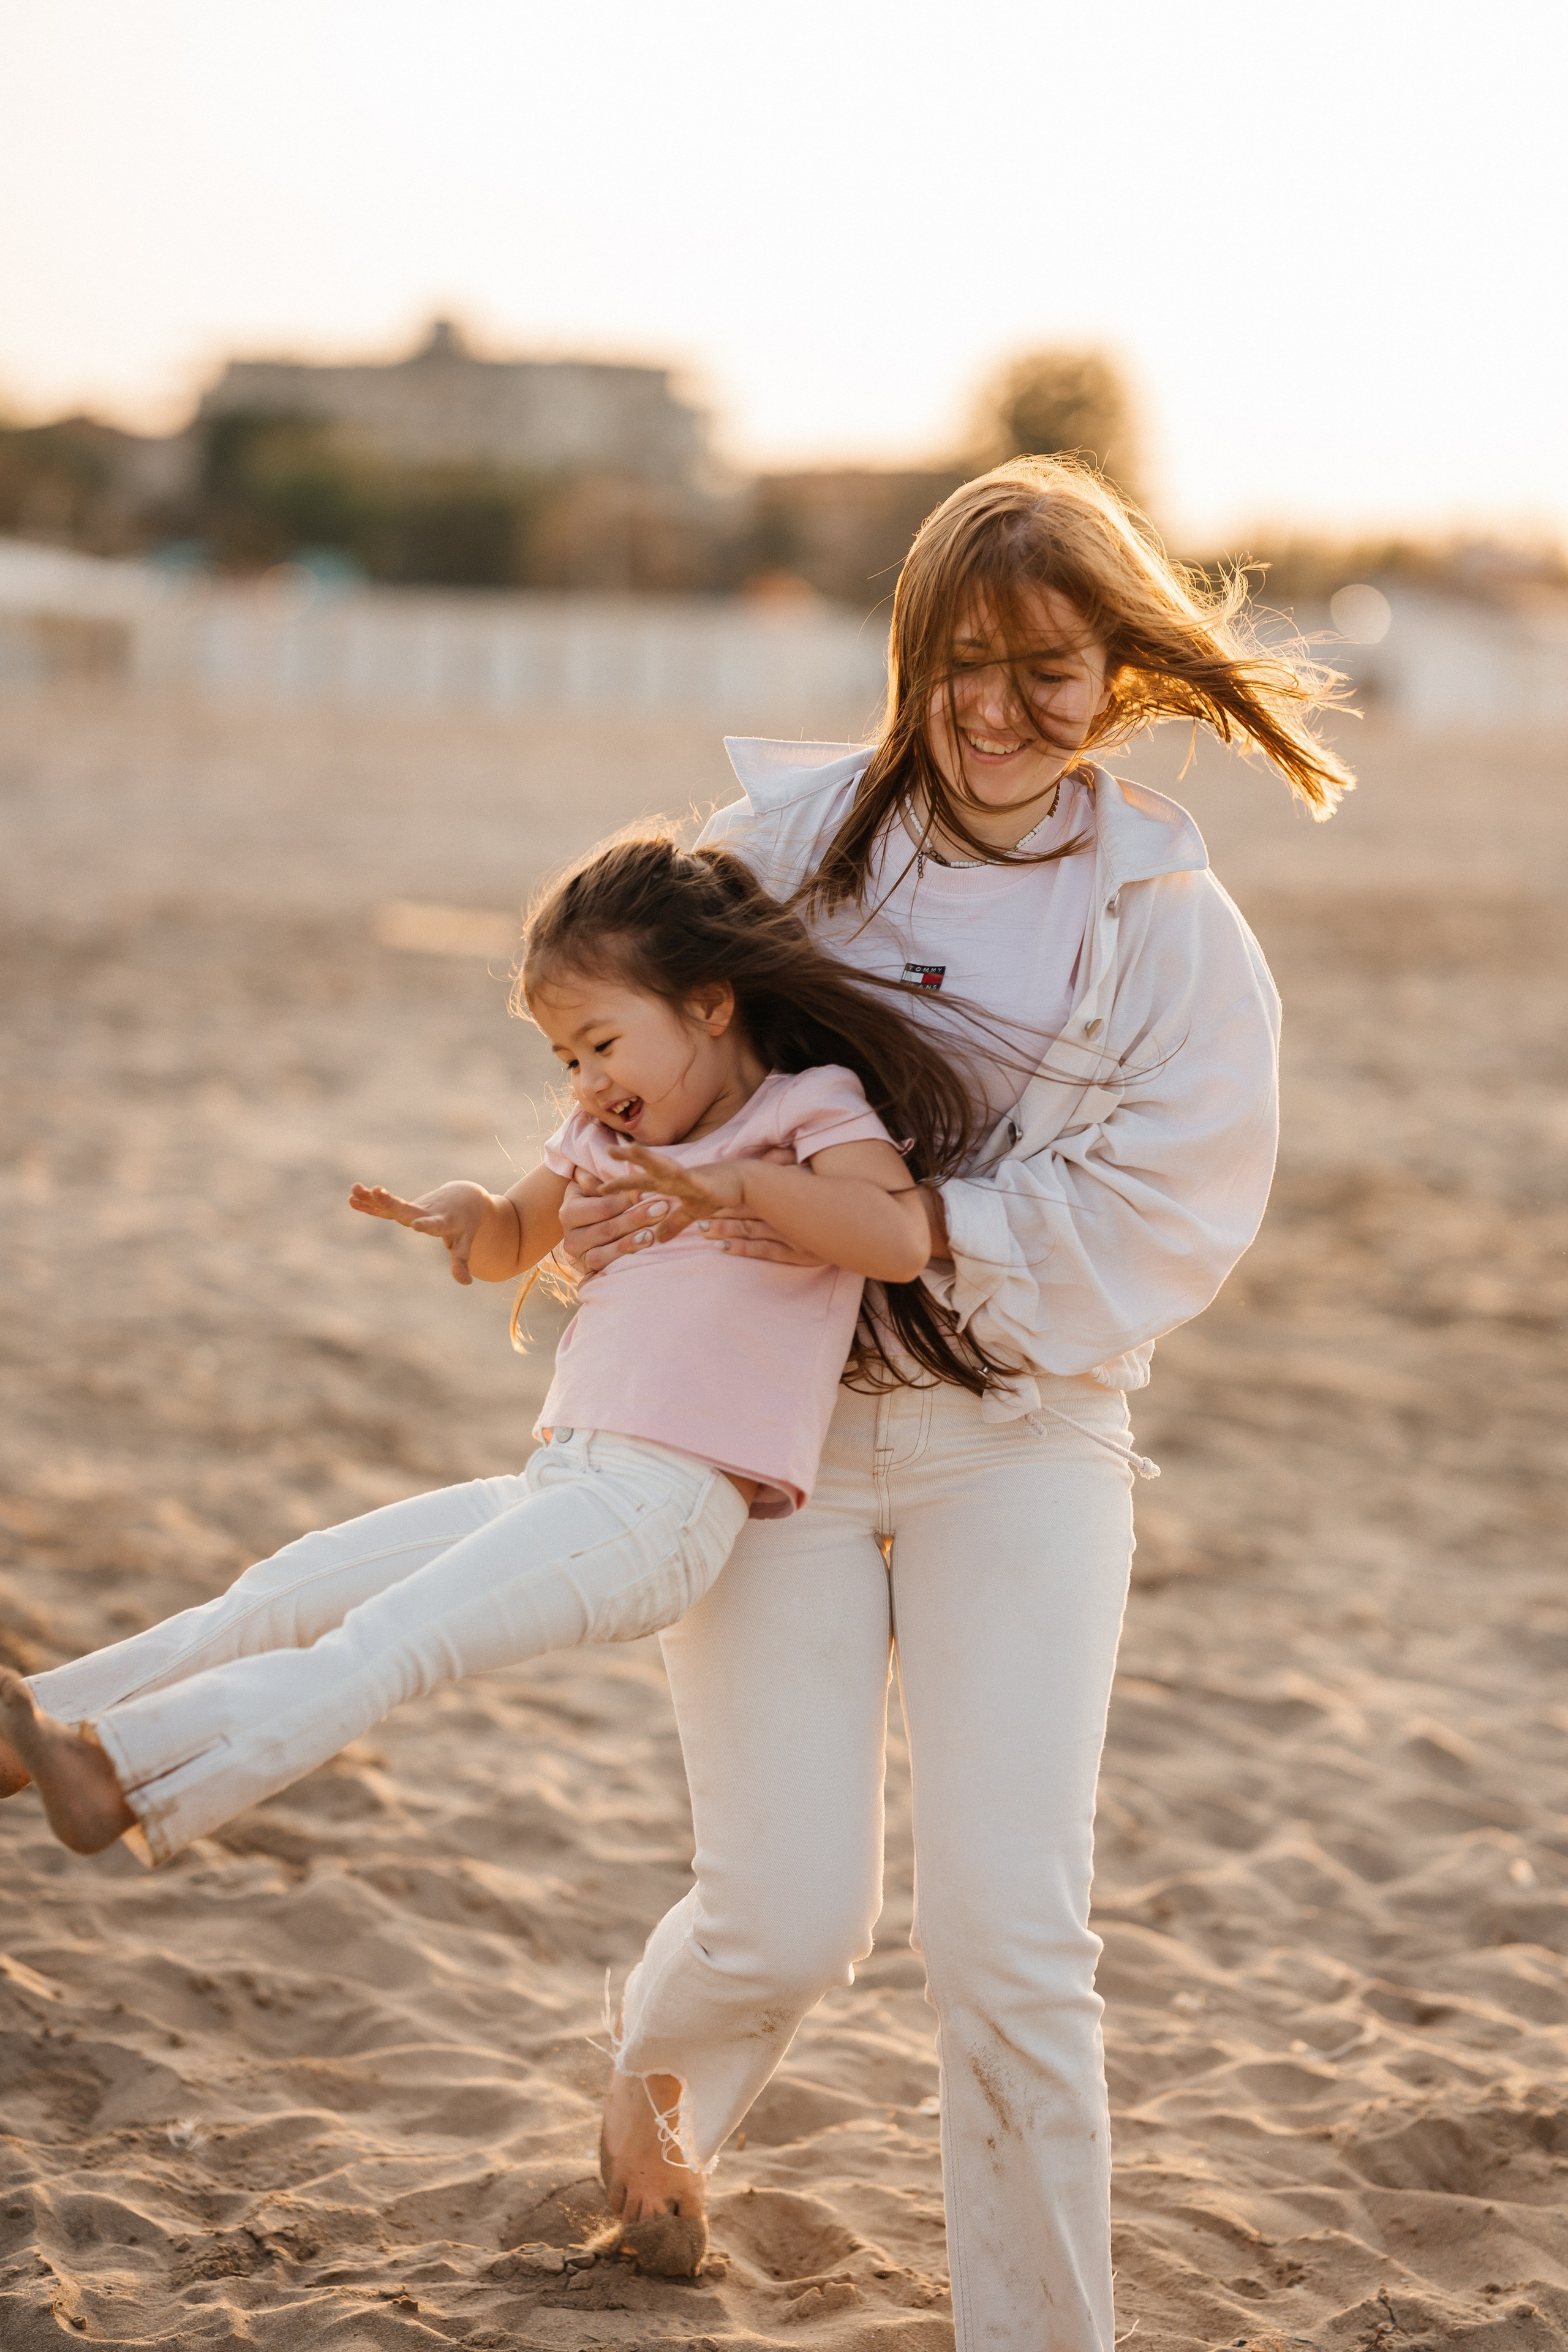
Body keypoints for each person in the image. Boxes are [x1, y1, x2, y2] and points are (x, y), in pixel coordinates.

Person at [568, 458, 1354, 2346]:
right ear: (909, 658)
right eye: (959, 666)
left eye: (1048, 671)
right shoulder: (788, 847)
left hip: (1031, 1443)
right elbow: (639, 1059)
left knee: (1012, 1943)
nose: (996, 713)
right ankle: (645, 2096)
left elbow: (1172, 1218)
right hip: (780, 1436)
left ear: (1124, 675)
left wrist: (927, 1224)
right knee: (787, 1923)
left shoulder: (1169, 919)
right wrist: (552, 1199)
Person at [0, 837, 998, 2188]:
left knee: (392, 1641)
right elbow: (518, 1235)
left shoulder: (805, 1110)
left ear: (710, 1003)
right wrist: (466, 1218)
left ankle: (120, 1769)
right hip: (569, 1476)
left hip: (666, 1506)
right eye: (565, 1062)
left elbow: (890, 1239)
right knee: (292, 1587)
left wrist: (739, 1188)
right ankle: (41, 1730)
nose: (587, 1085)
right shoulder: (601, 1131)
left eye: (601, 1044)